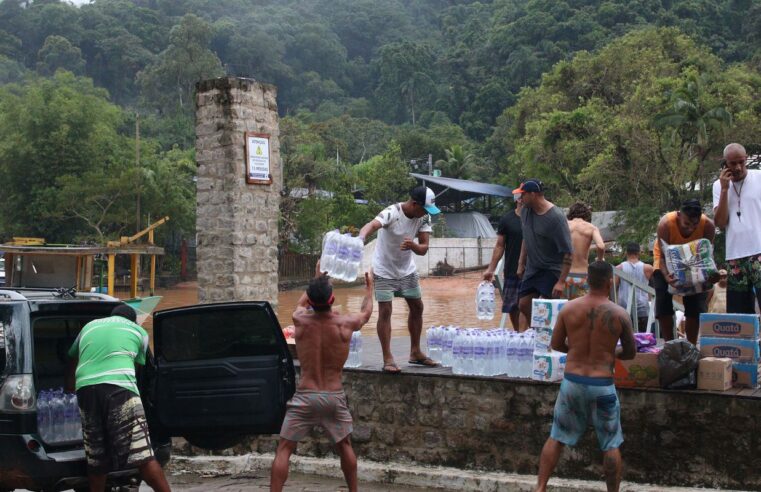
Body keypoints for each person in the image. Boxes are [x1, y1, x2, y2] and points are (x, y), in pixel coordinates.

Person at [271, 266, 374, 492]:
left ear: (311, 300)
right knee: (344, 445)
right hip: (333, 396)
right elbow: (366, 313)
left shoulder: (299, 319)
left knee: (284, 449)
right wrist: (370, 288)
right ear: (333, 299)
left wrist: (317, 279)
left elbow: (301, 303)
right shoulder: (345, 324)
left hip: (305, 396)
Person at [535, 261, 636, 492]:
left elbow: (556, 344)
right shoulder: (620, 314)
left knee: (556, 437)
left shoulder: (569, 309)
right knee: (610, 443)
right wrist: (610, 352)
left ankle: (540, 488)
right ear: (610, 282)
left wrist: (577, 350)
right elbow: (630, 353)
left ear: (587, 281)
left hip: (572, 383)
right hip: (603, 386)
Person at [67, 305, 170, 492]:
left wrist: (71, 389)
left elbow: (73, 359)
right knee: (143, 456)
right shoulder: (139, 332)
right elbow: (136, 369)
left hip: (86, 390)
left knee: (96, 457)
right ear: (132, 321)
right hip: (119, 389)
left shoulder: (89, 327)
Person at [358, 185, 440, 373]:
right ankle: (388, 357)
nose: (426, 213)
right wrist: (360, 238)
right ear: (414, 204)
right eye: (424, 209)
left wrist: (413, 245)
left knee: (417, 306)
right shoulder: (392, 213)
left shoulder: (423, 218)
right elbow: (371, 225)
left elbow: (424, 248)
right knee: (386, 311)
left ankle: (415, 352)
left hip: (406, 270)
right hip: (384, 269)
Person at [652, 199, 715, 344]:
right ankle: (669, 343)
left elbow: (707, 257)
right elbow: (661, 257)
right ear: (679, 215)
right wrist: (667, 277)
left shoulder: (708, 226)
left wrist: (711, 275)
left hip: (694, 261)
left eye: (695, 224)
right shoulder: (665, 224)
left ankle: (691, 345)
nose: (691, 229)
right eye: (687, 224)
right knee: (663, 299)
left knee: (696, 302)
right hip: (666, 260)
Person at [514, 179, 573, 331]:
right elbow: (526, 239)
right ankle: (538, 332)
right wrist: (521, 264)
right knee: (524, 304)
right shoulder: (526, 211)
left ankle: (552, 337)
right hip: (533, 268)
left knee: (546, 306)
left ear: (533, 194)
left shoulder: (556, 218)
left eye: (523, 195)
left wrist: (561, 281)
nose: (520, 199)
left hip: (551, 268)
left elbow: (568, 253)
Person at [713, 143, 761, 314]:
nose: (738, 167)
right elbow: (720, 222)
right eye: (733, 163)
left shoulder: (759, 177)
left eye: (741, 162)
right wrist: (725, 190)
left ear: (746, 158)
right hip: (735, 256)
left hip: (759, 251)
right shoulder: (718, 186)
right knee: (739, 314)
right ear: (725, 163)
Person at [483, 192, 524, 329]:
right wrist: (491, 269)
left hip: (533, 270)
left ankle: (528, 336)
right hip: (512, 269)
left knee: (528, 305)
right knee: (512, 306)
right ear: (519, 200)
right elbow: (500, 246)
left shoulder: (536, 218)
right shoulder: (507, 219)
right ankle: (519, 335)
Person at [566, 202, 606, 299]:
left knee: (565, 309)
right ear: (586, 215)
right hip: (582, 275)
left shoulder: (563, 225)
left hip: (564, 275)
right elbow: (601, 246)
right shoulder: (591, 228)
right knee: (582, 311)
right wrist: (600, 260)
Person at [615, 243, 654, 333]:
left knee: (626, 338)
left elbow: (614, 287)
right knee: (643, 337)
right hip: (643, 307)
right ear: (639, 253)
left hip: (624, 308)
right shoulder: (648, 268)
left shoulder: (619, 268)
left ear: (626, 253)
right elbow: (653, 287)